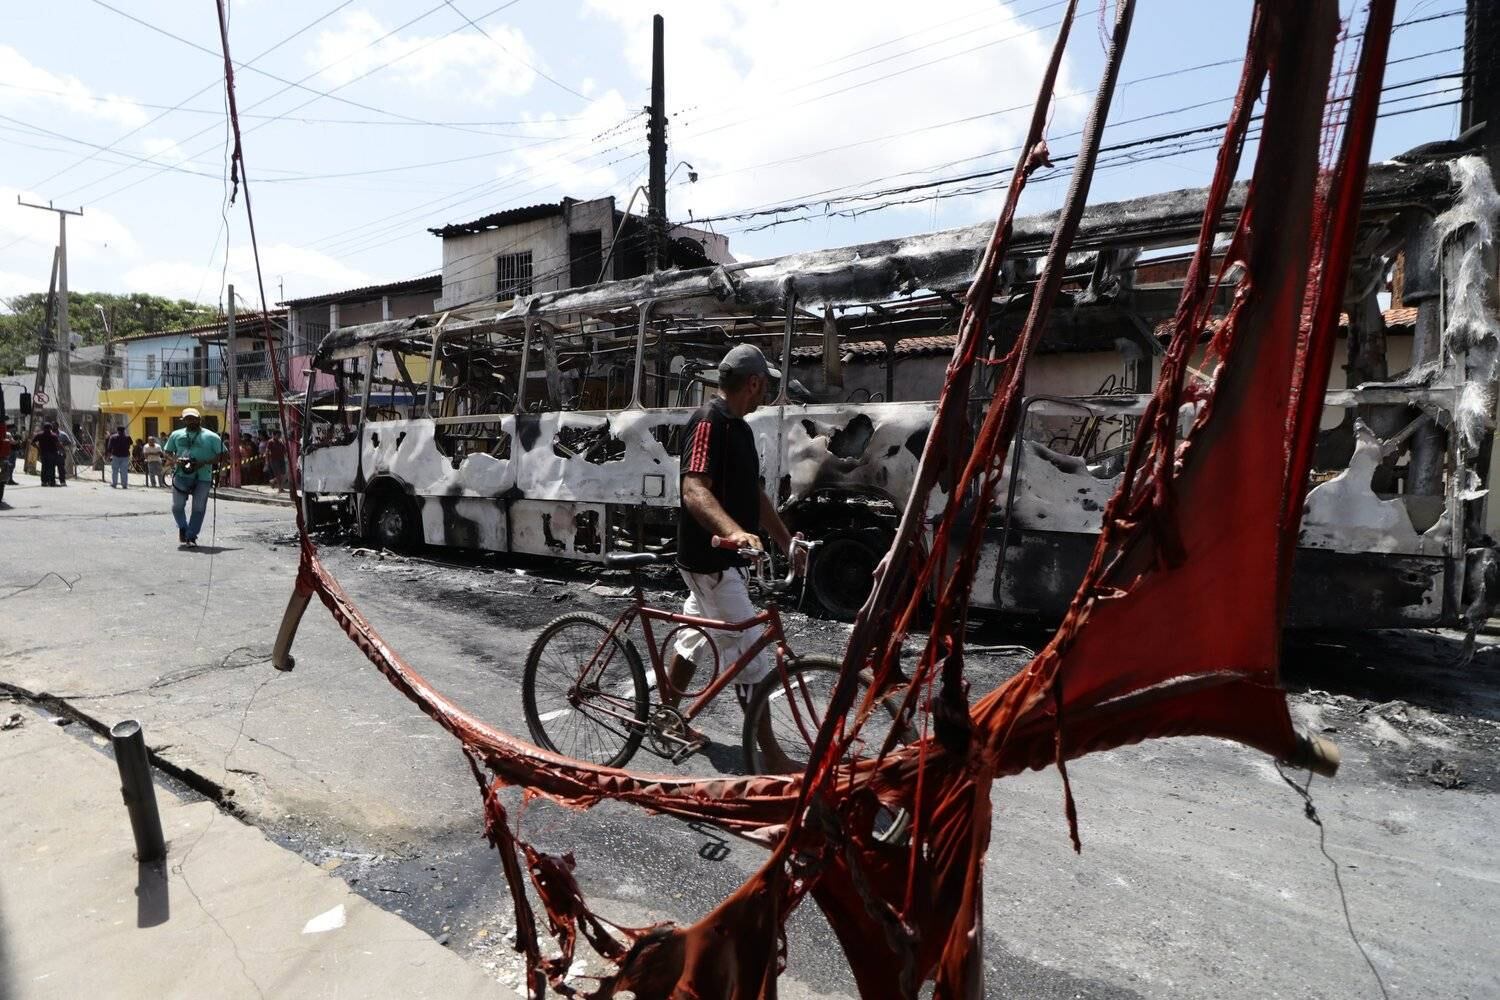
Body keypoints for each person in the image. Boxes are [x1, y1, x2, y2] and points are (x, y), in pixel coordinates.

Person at [667, 345, 806, 744]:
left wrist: (784, 540)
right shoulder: (708, 421)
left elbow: (755, 495)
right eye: (766, 387)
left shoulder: (740, 429)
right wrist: (734, 533)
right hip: (709, 559)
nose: (766, 395)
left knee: (691, 636)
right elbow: (694, 489)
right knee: (750, 657)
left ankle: (665, 719)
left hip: (726, 561)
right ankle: (767, 755)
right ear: (754, 383)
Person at [163, 408, 227, 547]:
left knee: (198, 508)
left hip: (203, 476)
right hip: (181, 474)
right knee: (177, 507)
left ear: (199, 419)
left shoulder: (212, 437)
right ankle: (183, 527)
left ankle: (191, 536)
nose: (191, 421)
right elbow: (166, 452)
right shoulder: (176, 434)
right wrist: (175, 460)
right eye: (188, 418)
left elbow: (224, 455)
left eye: (193, 418)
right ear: (183, 420)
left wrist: (204, 463)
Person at [32, 422, 63, 487]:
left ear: (43, 428)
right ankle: (52, 482)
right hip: (52, 454)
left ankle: (44, 482)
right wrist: (61, 449)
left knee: (44, 467)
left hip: (43, 453)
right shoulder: (53, 435)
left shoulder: (39, 435)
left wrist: (38, 448)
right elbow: (58, 445)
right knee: (51, 468)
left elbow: (32, 443)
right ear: (50, 428)